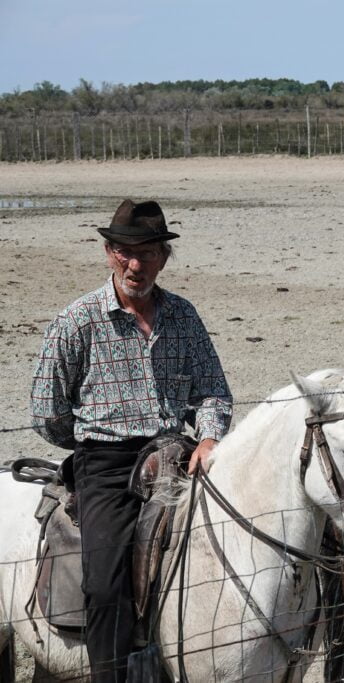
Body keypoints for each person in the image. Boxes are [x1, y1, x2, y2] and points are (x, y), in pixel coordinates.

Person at [30, 199, 233, 682]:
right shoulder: (77, 321)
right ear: (108, 252)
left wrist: (208, 438)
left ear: (164, 257)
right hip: (107, 464)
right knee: (104, 582)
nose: (135, 265)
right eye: (125, 252)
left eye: (147, 253)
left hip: (177, 453)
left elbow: (212, 391)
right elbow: (47, 411)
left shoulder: (183, 316)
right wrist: (89, 445)